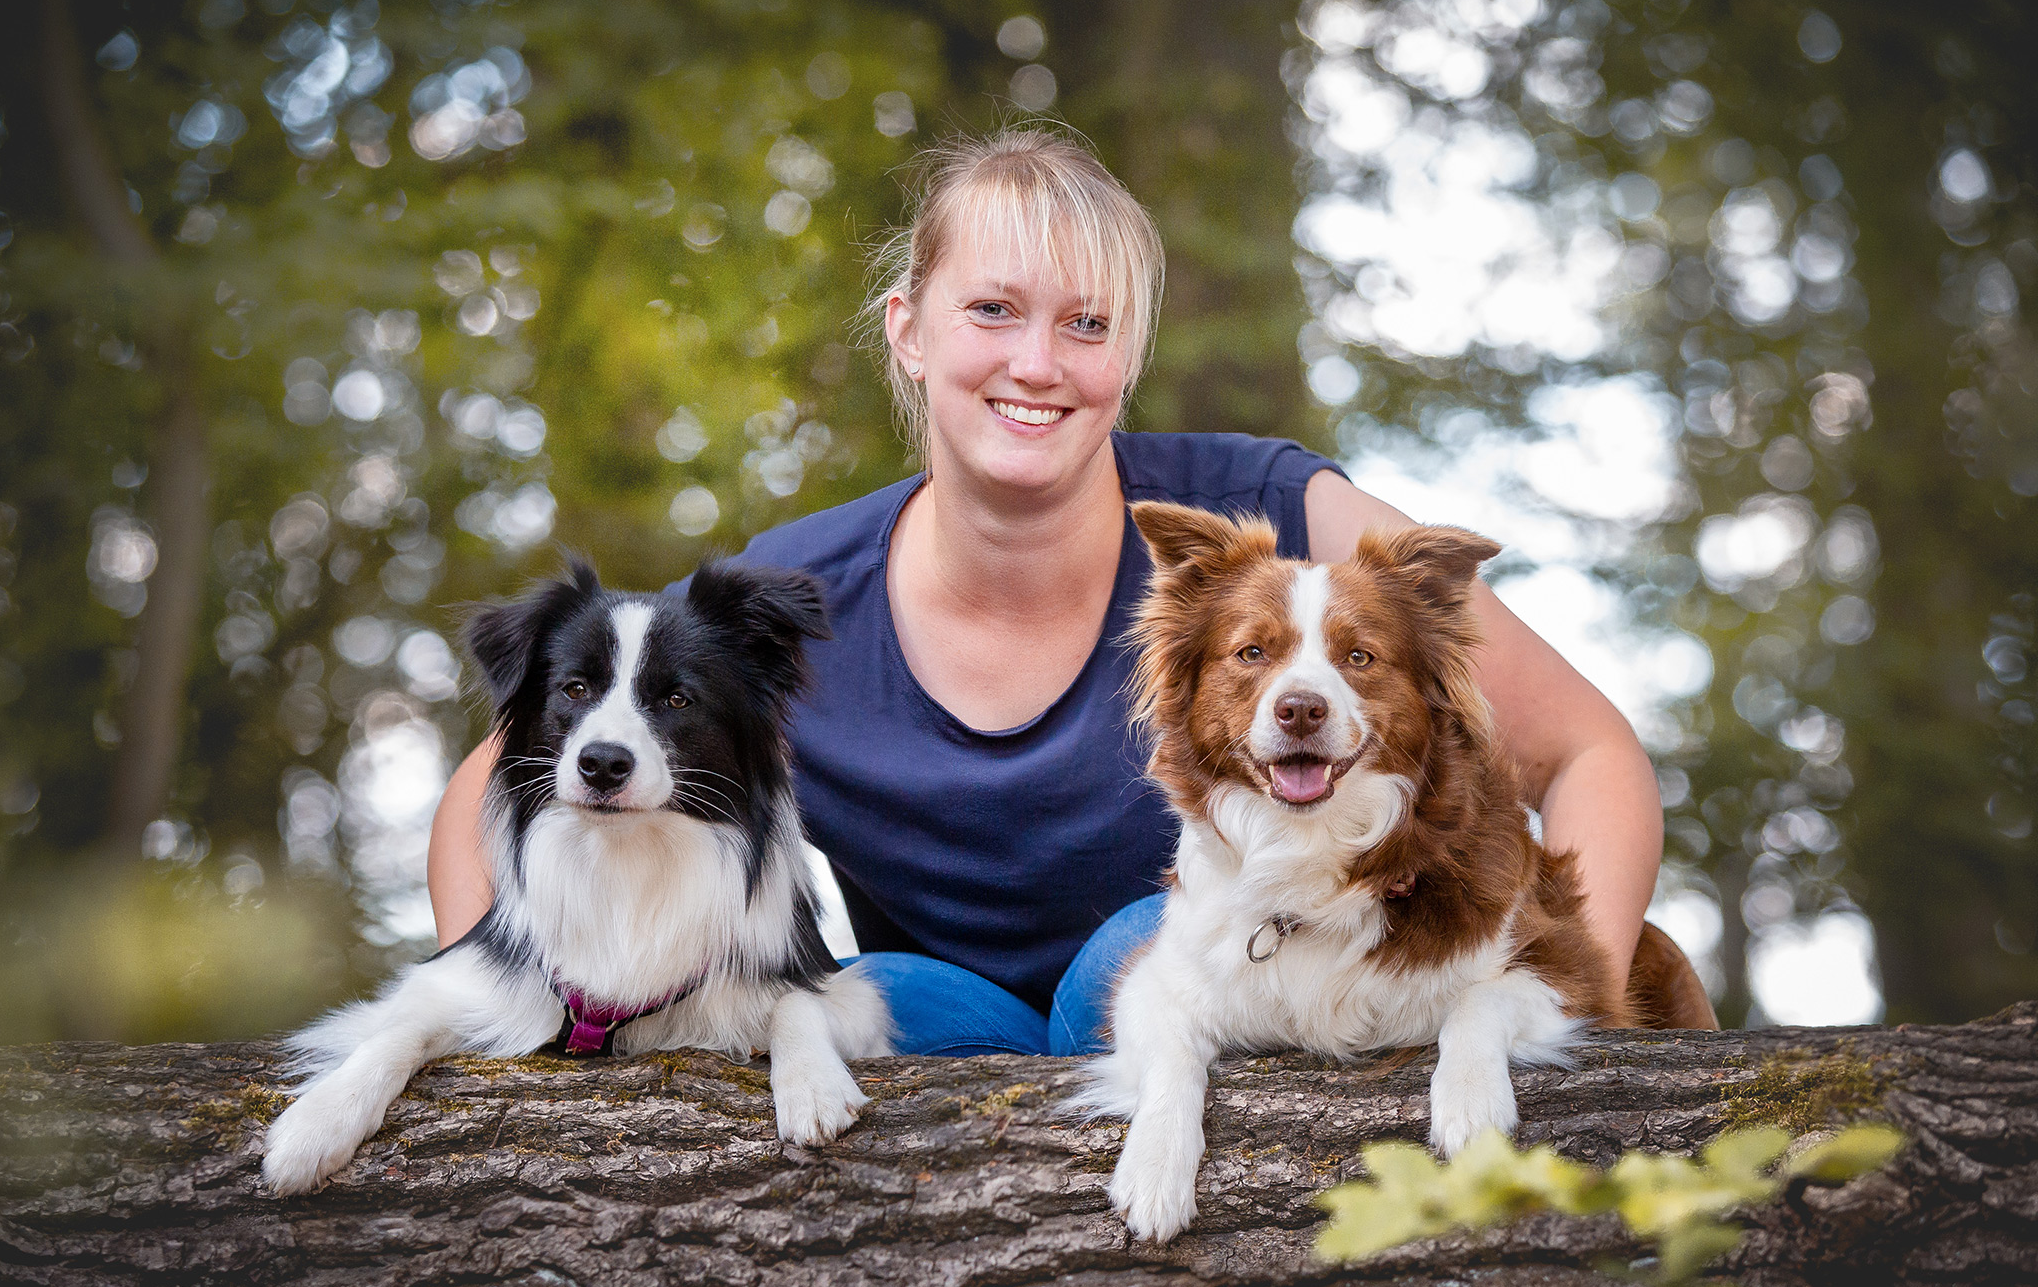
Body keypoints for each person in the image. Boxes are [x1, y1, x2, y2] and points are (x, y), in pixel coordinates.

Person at [426, 126, 1664, 1057]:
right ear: (909, 331)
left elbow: (1586, 752)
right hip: (938, 1042)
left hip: (1243, 993)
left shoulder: (1275, 522)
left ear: (1127, 353)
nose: (1037, 363)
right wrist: (534, 1019)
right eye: (993, 311)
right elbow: (505, 781)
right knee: (870, 1002)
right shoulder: (791, 597)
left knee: (1131, 964)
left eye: (1085, 323)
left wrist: (1561, 1010)